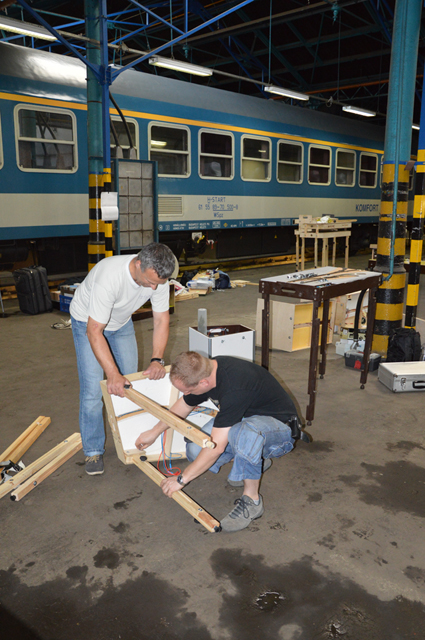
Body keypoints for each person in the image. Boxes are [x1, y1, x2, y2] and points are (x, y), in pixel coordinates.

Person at [135, 352, 305, 533]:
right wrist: (154, 432)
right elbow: (184, 404)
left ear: (203, 383)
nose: (186, 394)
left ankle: (252, 501)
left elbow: (216, 448)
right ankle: (254, 462)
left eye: (188, 390)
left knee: (244, 433)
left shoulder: (235, 387)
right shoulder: (206, 370)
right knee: (195, 449)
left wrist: (181, 479)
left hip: (279, 431)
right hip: (246, 419)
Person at [70, 242, 176, 476]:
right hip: (87, 322)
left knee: (129, 386)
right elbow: (94, 331)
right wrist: (112, 374)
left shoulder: (158, 280)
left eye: (158, 284)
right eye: (149, 282)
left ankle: (131, 440)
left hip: (121, 323)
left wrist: (157, 359)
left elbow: (161, 320)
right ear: (138, 264)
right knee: (93, 390)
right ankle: (93, 450)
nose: (153, 288)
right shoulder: (109, 276)